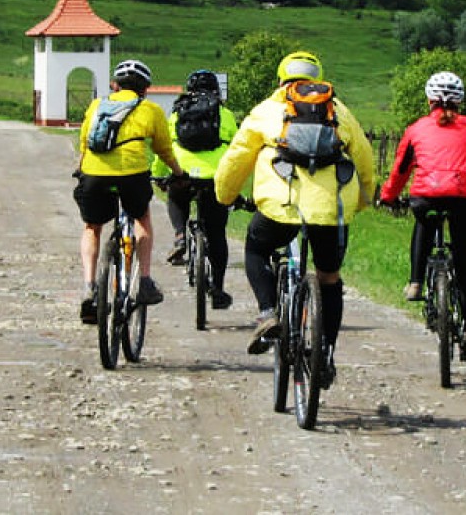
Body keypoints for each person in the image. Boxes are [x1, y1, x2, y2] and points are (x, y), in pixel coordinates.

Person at [214, 51, 377, 388]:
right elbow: (364, 159)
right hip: (332, 209)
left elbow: (235, 160)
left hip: (281, 206)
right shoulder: (340, 111)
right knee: (329, 278)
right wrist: (362, 201)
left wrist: (225, 196)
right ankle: (325, 352)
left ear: (281, 80)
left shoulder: (266, 111)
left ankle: (267, 312)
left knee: (257, 248)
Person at [378, 70, 466, 363]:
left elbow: (401, 168)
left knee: (424, 222)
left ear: (429, 99)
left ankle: (416, 281)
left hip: (426, 196)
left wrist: (388, 196)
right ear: (460, 100)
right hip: (463, 199)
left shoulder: (416, 128)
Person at [75, 59, 187, 325]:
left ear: (115, 85)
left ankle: (89, 286)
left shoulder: (96, 106)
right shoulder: (150, 110)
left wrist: (82, 171)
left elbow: (84, 144)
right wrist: (178, 174)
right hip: (132, 175)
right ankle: (145, 281)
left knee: (92, 227)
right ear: (145, 89)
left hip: (94, 173)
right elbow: (164, 149)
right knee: (142, 219)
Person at [153, 69, 240, 310]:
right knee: (217, 234)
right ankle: (219, 290)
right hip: (216, 177)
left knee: (176, 195)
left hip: (184, 172)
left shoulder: (179, 111)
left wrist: (160, 174)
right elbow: (237, 149)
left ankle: (180, 235)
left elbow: (166, 146)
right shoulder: (226, 114)